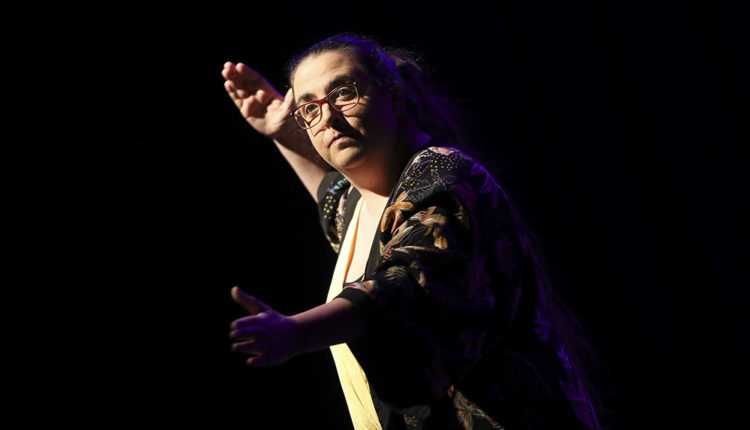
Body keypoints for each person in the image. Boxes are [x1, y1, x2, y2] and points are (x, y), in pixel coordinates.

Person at [222, 34, 602, 430]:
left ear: (395, 94)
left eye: (344, 93)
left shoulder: (443, 173)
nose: (328, 117)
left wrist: (297, 333)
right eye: (309, 109)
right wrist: (282, 132)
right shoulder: (358, 207)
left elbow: (406, 281)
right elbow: (332, 199)